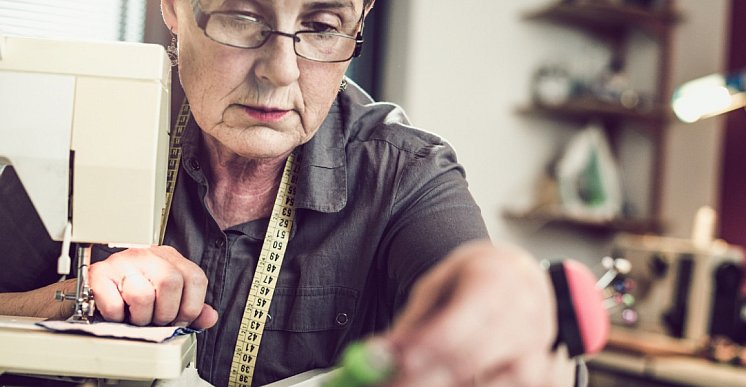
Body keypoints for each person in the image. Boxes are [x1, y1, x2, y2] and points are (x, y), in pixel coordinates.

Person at [0, 0, 581, 385]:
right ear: (175, 8)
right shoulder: (90, 131)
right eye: (241, 16)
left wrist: (513, 296)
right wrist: (70, 298)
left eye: (322, 27)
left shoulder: (405, 175)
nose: (280, 70)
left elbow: (477, 280)